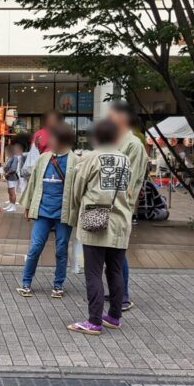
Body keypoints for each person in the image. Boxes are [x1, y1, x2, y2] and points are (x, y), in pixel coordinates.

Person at [65, 119, 133, 335]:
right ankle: (114, 316)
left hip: (95, 218)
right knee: (115, 270)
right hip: (121, 220)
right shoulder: (125, 159)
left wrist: (75, 212)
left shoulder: (90, 158)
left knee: (93, 272)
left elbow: (77, 190)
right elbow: (129, 192)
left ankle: (94, 321)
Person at [16, 123, 77, 299]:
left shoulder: (75, 161)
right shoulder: (44, 158)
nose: (49, 140)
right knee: (35, 247)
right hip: (42, 211)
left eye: (52, 137)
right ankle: (26, 282)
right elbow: (34, 182)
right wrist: (28, 206)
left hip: (64, 212)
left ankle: (58, 285)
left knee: (61, 249)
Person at [109, 101, 148, 311]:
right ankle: (117, 292)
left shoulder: (133, 144)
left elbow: (129, 180)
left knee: (117, 251)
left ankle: (123, 296)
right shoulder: (117, 141)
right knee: (111, 249)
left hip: (121, 205)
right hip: (110, 203)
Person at [3, 143, 24, 212]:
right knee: (9, 191)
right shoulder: (10, 157)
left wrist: (7, 173)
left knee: (12, 192)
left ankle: (13, 206)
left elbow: (13, 168)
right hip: (9, 176)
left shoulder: (14, 157)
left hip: (12, 176)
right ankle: (10, 204)